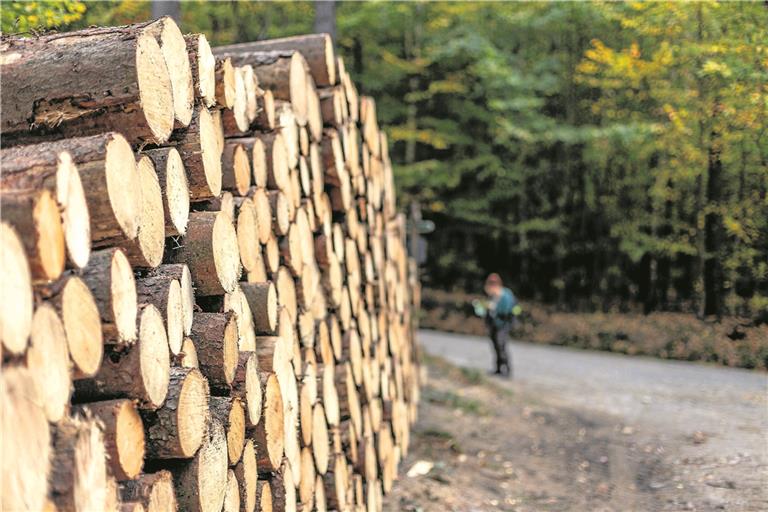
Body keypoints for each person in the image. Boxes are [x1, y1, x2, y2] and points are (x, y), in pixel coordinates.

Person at [483, 273, 518, 377]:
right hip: (494, 324)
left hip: (503, 324)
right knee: (495, 346)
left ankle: (507, 369)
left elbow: (506, 310)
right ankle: (498, 368)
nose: (492, 285)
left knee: (501, 345)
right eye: (490, 283)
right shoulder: (492, 295)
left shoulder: (505, 294)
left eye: (494, 283)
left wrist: (494, 308)